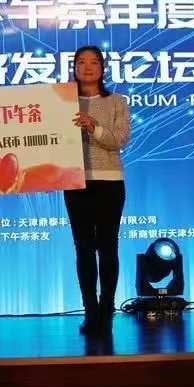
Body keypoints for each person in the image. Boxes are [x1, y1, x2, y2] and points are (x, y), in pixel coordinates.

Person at [64, 45, 131, 334]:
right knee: (83, 248)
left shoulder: (116, 101)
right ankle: (89, 309)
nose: (88, 67)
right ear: (74, 67)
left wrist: (94, 127)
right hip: (74, 181)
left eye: (94, 62)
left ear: (103, 68)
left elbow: (120, 139)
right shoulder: (61, 101)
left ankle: (107, 308)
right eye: (81, 62)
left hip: (109, 182)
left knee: (107, 247)